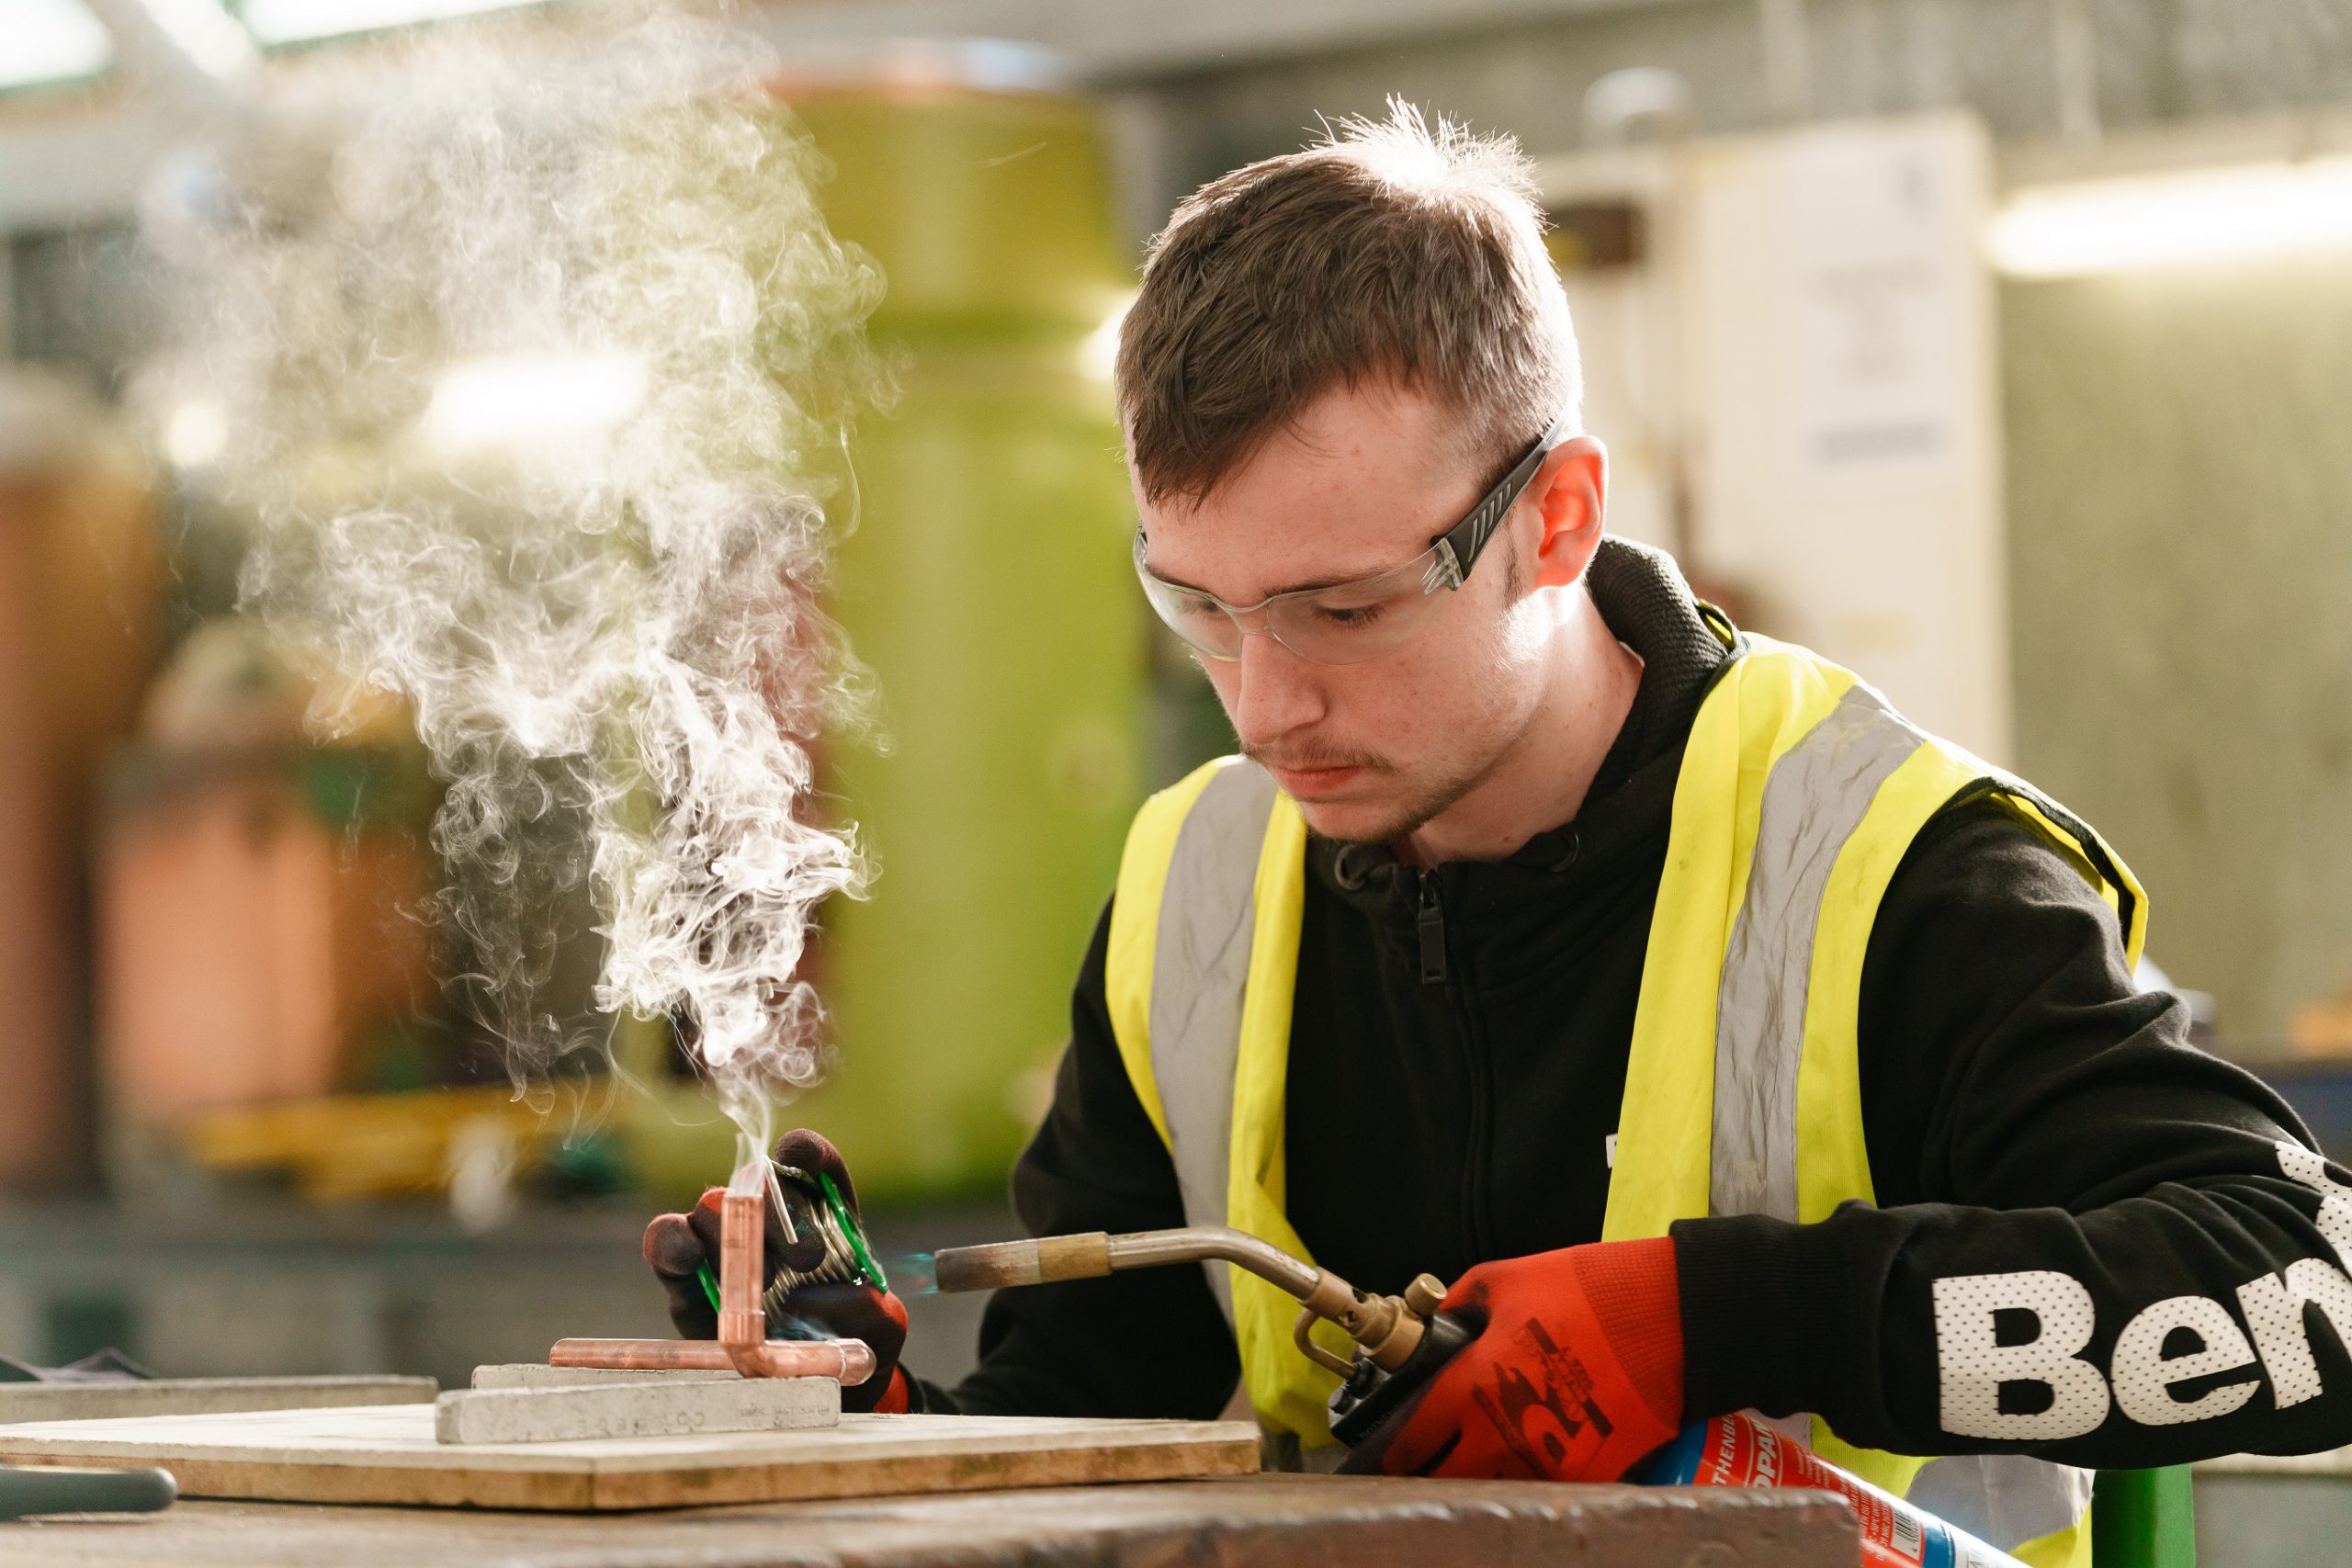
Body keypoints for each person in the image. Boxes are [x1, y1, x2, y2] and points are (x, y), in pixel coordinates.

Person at [647, 104, 2352, 1565]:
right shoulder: (1199, 892)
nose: (1263, 708)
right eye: (1204, 612)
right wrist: (875, 1416)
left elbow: (2311, 1297)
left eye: (1343, 609)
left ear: (1556, 517)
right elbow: (1090, 1424)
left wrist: (1705, 1317)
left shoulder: (1890, 871)